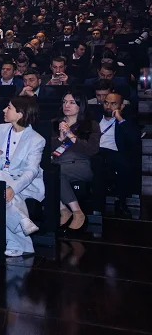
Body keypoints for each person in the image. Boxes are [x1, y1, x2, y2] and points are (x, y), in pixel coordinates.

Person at [0, 97, 44, 257]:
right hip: (1, 178)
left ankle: (18, 240)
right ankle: (21, 224)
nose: (4, 110)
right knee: (1, 188)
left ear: (20, 114)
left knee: (3, 191)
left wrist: (13, 188)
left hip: (25, 184)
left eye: (9, 107)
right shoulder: (1, 129)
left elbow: (31, 171)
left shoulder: (37, 140)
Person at [51, 90, 100, 231]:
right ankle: (63, 209)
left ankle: (77, 212)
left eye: (72, 102)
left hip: (80, 164)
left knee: (55, 173)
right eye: (65, 102)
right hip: (57, 162)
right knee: (49, 173)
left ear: (81, 105)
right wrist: (60, 138)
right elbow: (45, 148)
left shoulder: (90, 125)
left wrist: (70, 135)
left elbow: (92, 150)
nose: (66, 105)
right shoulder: (54, 123)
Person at [96, 92, 140, 217]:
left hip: (113, 152)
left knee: (125, 163)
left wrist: (120, 119)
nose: (108, 106)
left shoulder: (126, 121)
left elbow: (134, 140)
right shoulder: (95, 117)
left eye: (113, 104)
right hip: (95, 151)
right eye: (106, 103)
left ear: (121, 106)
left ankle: (120, 200)